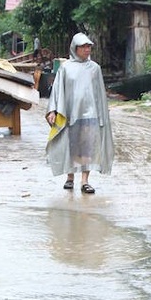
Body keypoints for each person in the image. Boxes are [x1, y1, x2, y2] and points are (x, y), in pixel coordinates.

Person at [45, 33, 114, 194]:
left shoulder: (95, 68)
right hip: (70, 113)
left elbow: (100, 93)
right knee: (70, 145)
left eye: (89, 47)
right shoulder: (65, 68)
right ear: (75, 48)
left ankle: (85, 181)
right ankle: (70, 178)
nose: (87, 50)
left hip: (90, 113)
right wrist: (53, 110)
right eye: (83, 47)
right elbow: (57, 90)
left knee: (87, 147)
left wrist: (102, 115)